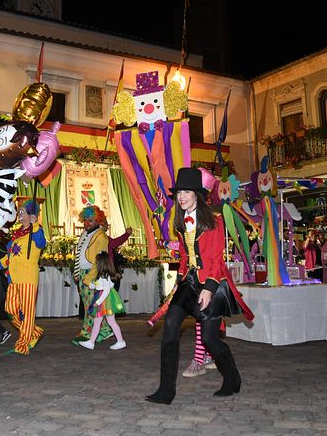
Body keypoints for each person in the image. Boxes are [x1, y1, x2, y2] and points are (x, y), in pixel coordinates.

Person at [146, 168, 253, 405]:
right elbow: (185, 255)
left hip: (211, 282)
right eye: (179, 192)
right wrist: (181, 278)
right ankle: (166, 391)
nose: (181, 196)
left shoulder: (213, 221)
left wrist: (209, 288)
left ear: (197, 194)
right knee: (171, 325)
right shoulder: (181, 221)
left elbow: (216, 259)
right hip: (190, 281)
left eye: (186, 192)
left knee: (209, 338)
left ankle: (232, 378)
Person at [0, 200, 46, 355]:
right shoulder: (17, 234)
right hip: (14, 279)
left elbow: (41, 243)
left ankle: (23, 344)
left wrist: (35, 225)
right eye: (19, 212)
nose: (19, 215)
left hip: (28, 279)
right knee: (10, 310)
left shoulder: (36, 231)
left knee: (27, 314)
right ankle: (34, 332)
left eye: (22, 212)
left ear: (31, 215)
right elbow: (10, 256)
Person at [72, 206, 113, 345]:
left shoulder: (101, 237)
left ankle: (87, 332)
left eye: (90, 220)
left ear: (98, 221)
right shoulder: (85, 233)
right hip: (83, 273)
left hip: (92, 274)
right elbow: (79, 254)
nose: (87, 223)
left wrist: (89, 278)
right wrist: (77, 272)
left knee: (91, 306)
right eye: (85, 220)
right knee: (88, 305)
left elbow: (99, 261)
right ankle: (105, 330)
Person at [78, 251, 127, 350]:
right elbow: (99, 286)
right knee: (99, 321)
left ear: (101, 264)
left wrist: (98, 302)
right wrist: (91, 285)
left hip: (105, 301)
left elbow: (106, 290)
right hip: (103, 299)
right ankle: (91, 342)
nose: (95, 264)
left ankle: (120, 341)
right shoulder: (103, 275)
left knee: (110, 321)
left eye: (97, 262)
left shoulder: (104, 276)